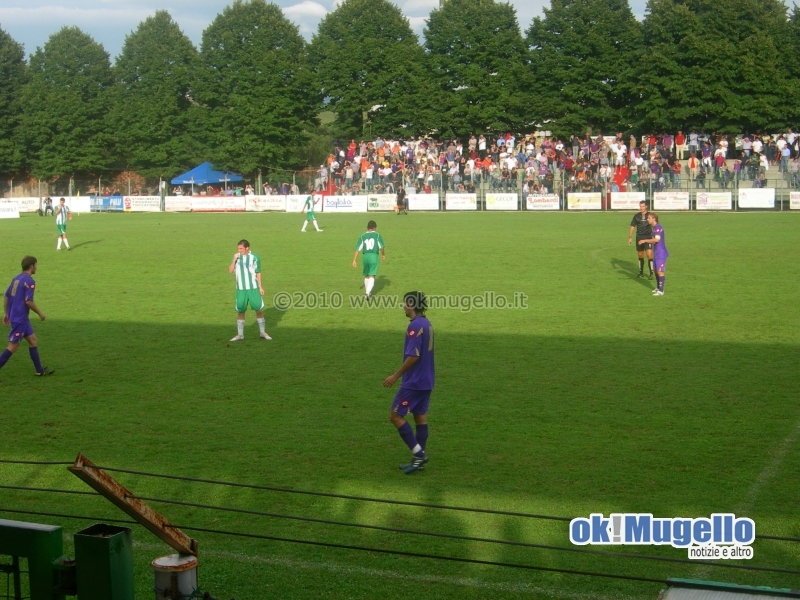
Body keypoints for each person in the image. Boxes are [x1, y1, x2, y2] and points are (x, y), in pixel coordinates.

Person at [383, 291, 434, 474]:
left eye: (405, 303)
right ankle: (417, 460)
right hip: (427, 381)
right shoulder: (427, 323)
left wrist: (395, 376)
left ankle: (418, 454)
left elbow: (414, 356)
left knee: (395, 416)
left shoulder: (414, 327)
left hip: (413, 383)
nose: (403, 306)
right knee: (420, 417)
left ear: (411, 304)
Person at [0, 256, 54, 378]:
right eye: (35, 265)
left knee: (33, 341)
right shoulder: (30, 281)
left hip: (18, 317)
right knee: (12, 347)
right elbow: (28, 301)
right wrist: (40, 313)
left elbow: (6, 296)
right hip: (20, 319)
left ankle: (39, 370)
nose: (36, 267)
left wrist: (7, 312)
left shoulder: (16, 278)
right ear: (31, 266)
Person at [228, 240, 271, 341]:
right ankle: (240, 335)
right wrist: (234, 260)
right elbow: (230, 271)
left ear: (247, 248)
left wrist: (260, 287)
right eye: (238, 248)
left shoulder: (255, 257)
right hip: (241, 289)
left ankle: (262, 333)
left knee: (259, 310)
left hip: (253, 288)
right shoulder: (237, 257)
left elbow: (258, 272)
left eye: (241, 248)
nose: (239, 250)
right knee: (240, 311)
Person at [352, 220, 385, 299]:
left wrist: (354, 260)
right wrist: (383, 254)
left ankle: (367, 293)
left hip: (365, 256)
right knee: (372, 275)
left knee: (366, 275)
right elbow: (381, 247)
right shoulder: (377, 235)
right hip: (374, 256)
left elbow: (358, 249)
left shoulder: (362, 236)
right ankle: (367, 293)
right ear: (374, 228)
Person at [638, 214, 669, 296]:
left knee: (660, 271)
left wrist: (644, 240)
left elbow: (656, 240)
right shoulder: (654, 228)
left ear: (654, 219)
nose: (647, 219)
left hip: (661, 253)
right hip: (657, 252)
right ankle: (658, 287)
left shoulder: (658, 227)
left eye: (649, 218)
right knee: (655, 270)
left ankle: (661, 291)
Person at [628, 201, 654, 279]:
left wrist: (656, 235)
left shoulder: (650, 215)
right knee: (640, 255)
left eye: (643, 206)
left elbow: (654, 224)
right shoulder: (636, 216)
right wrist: (630, 237)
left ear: (646, 206)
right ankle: (641, 272)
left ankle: (651, 273)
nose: (641, 208)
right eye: (640, 206)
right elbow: (632, 226)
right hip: (639, 237)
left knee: (649, 254)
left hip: (648, 237)